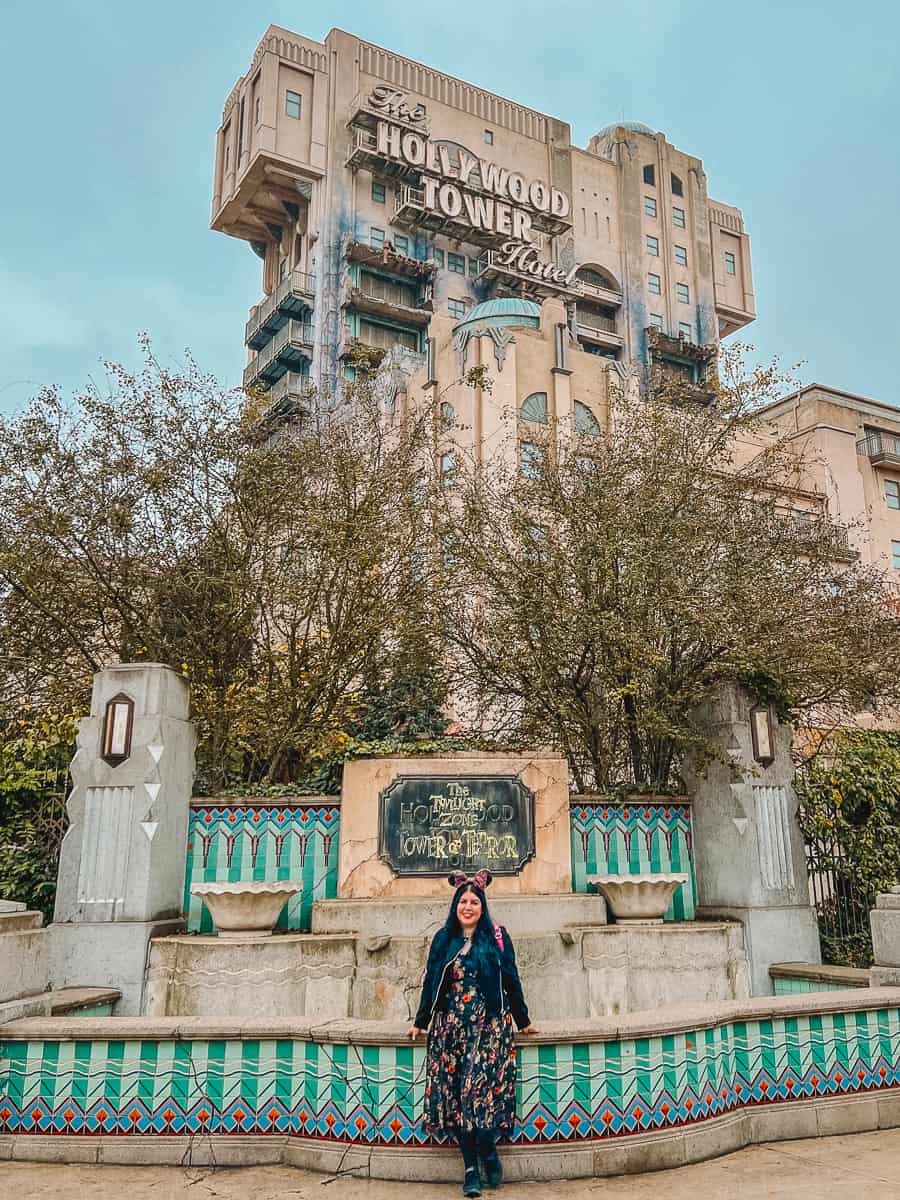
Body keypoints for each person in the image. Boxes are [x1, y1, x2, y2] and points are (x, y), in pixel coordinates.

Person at [407, 869, 538, 1197]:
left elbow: (511, 977)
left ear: (482, 906)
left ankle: (489, 1151)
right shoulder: (443, 939)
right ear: (455, 906)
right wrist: (420, 1021)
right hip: (451, 1031)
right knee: (459, 1099)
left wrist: (523, 1021)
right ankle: (471, 1169)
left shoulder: (496, 936)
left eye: (473, 901)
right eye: (462, 901)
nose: (467, 906)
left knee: (475, 1095)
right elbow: (430, 982)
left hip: (488, 1030)